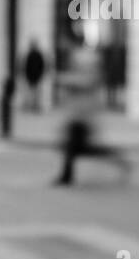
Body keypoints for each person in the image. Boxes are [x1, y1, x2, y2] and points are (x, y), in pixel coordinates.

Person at [53, 47, 130, 186]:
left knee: (78, 148)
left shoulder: (91, 74)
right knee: (79, 148)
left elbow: (83, 83)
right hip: (76, 116)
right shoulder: (81, 74)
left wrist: (64, 79)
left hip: (83, 117)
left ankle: (66, 177)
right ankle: (66, 176)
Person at [23, 43, 46, 112]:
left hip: (34, 76)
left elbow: (41, 65)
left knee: (35, 92)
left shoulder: (34, 55)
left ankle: (35, 105)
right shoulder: (33, 55)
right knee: (34, 92)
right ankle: (33, 105)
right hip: (34, 76)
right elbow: (27, 66)